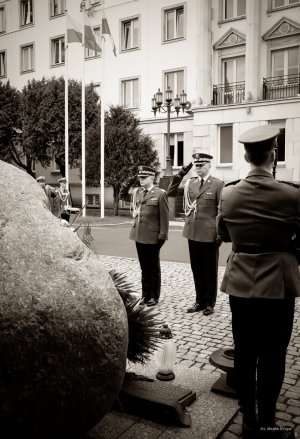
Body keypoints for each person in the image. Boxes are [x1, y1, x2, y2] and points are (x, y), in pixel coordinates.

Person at [217, 125, 299, 439]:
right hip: (278, 284)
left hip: (240, 282)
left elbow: (223, 234)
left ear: (246, 156)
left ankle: (249, 422)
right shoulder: (292, 194)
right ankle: (267, 422)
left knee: (245, 351)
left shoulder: (229, 191)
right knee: (274, 354)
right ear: (273, 154)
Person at [167, 153, 224, 316]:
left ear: (209, 165)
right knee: (197, 269)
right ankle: (199, 301)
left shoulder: (217, 184)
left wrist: (219, 235)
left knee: (210, 271)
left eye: (201, 165)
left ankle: (209, 303)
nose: (198, 168)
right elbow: (171, 192)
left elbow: (222, 211)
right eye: (196, 165)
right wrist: (180, 174)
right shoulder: (190, 183)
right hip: (192, 232)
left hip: (209, 234)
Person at [119, 166, 169, 307]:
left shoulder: (160, 194)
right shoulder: (137, 193)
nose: (141, 180)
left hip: (153, 237)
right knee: (144, 268)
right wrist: (129, 180)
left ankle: (154, 296)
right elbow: (122, 196)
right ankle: (145, 295)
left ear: (152, 178)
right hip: (139, 235)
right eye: (140, 177)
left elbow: (164, 218)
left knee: (153, 268)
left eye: (144, 177)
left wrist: (162, 236)